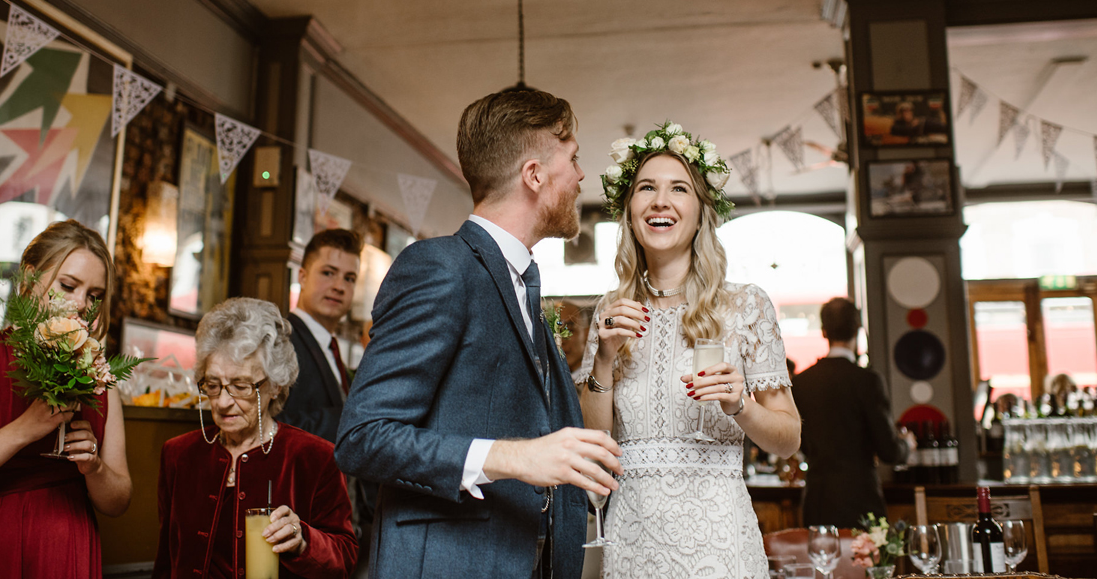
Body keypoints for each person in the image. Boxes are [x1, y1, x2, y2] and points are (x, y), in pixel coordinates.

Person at [337, 86, 623, 579]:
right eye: (573, 159)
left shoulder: (524, 283)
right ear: (533, 175)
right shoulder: (440, 267)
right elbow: (362, 437)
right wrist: (513, 457)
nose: (580, 177)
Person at [579, 122, 801, 579]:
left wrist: (740, 405)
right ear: (630, 210)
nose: (660, 201)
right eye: (646, 188)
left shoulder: (746, 304)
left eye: (678, 188)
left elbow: (788, 440)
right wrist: (604, 358)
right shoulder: (611, 309)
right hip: (632, 542)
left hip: (719, 546)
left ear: (701, 212)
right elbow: (598, 449)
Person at [0, 219, 133, 576]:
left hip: (63, 554)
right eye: (68, 286)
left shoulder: (99, 380)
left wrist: (94, 467)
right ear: (29, 280)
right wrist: (24, 430)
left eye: (94, 296)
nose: (82, 305)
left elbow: (118, 501)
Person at [154, 297, 357, 578]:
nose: (223, 402)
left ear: (275, 385)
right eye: (213, 385)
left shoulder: (316, 459)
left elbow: (344, 558)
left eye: (241, 386)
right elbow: (166, 560)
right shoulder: (179, 455)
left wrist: (303, 541)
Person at [791, 297, 912, 529]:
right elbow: (888, 451)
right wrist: (907, 446)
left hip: (817, 499)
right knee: (867, 564)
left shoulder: (802, 383)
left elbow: (801, 443)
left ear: (824, 332)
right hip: (861, 498)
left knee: (822, 563)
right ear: (858, 330)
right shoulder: (868, 381)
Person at [279, 228, 361, 441]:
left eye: (349, 278)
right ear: (303, 277)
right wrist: (352, 416)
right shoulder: (280, 341)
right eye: (328, 273)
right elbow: (270, 426)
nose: (339, 286)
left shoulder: (330, 348)